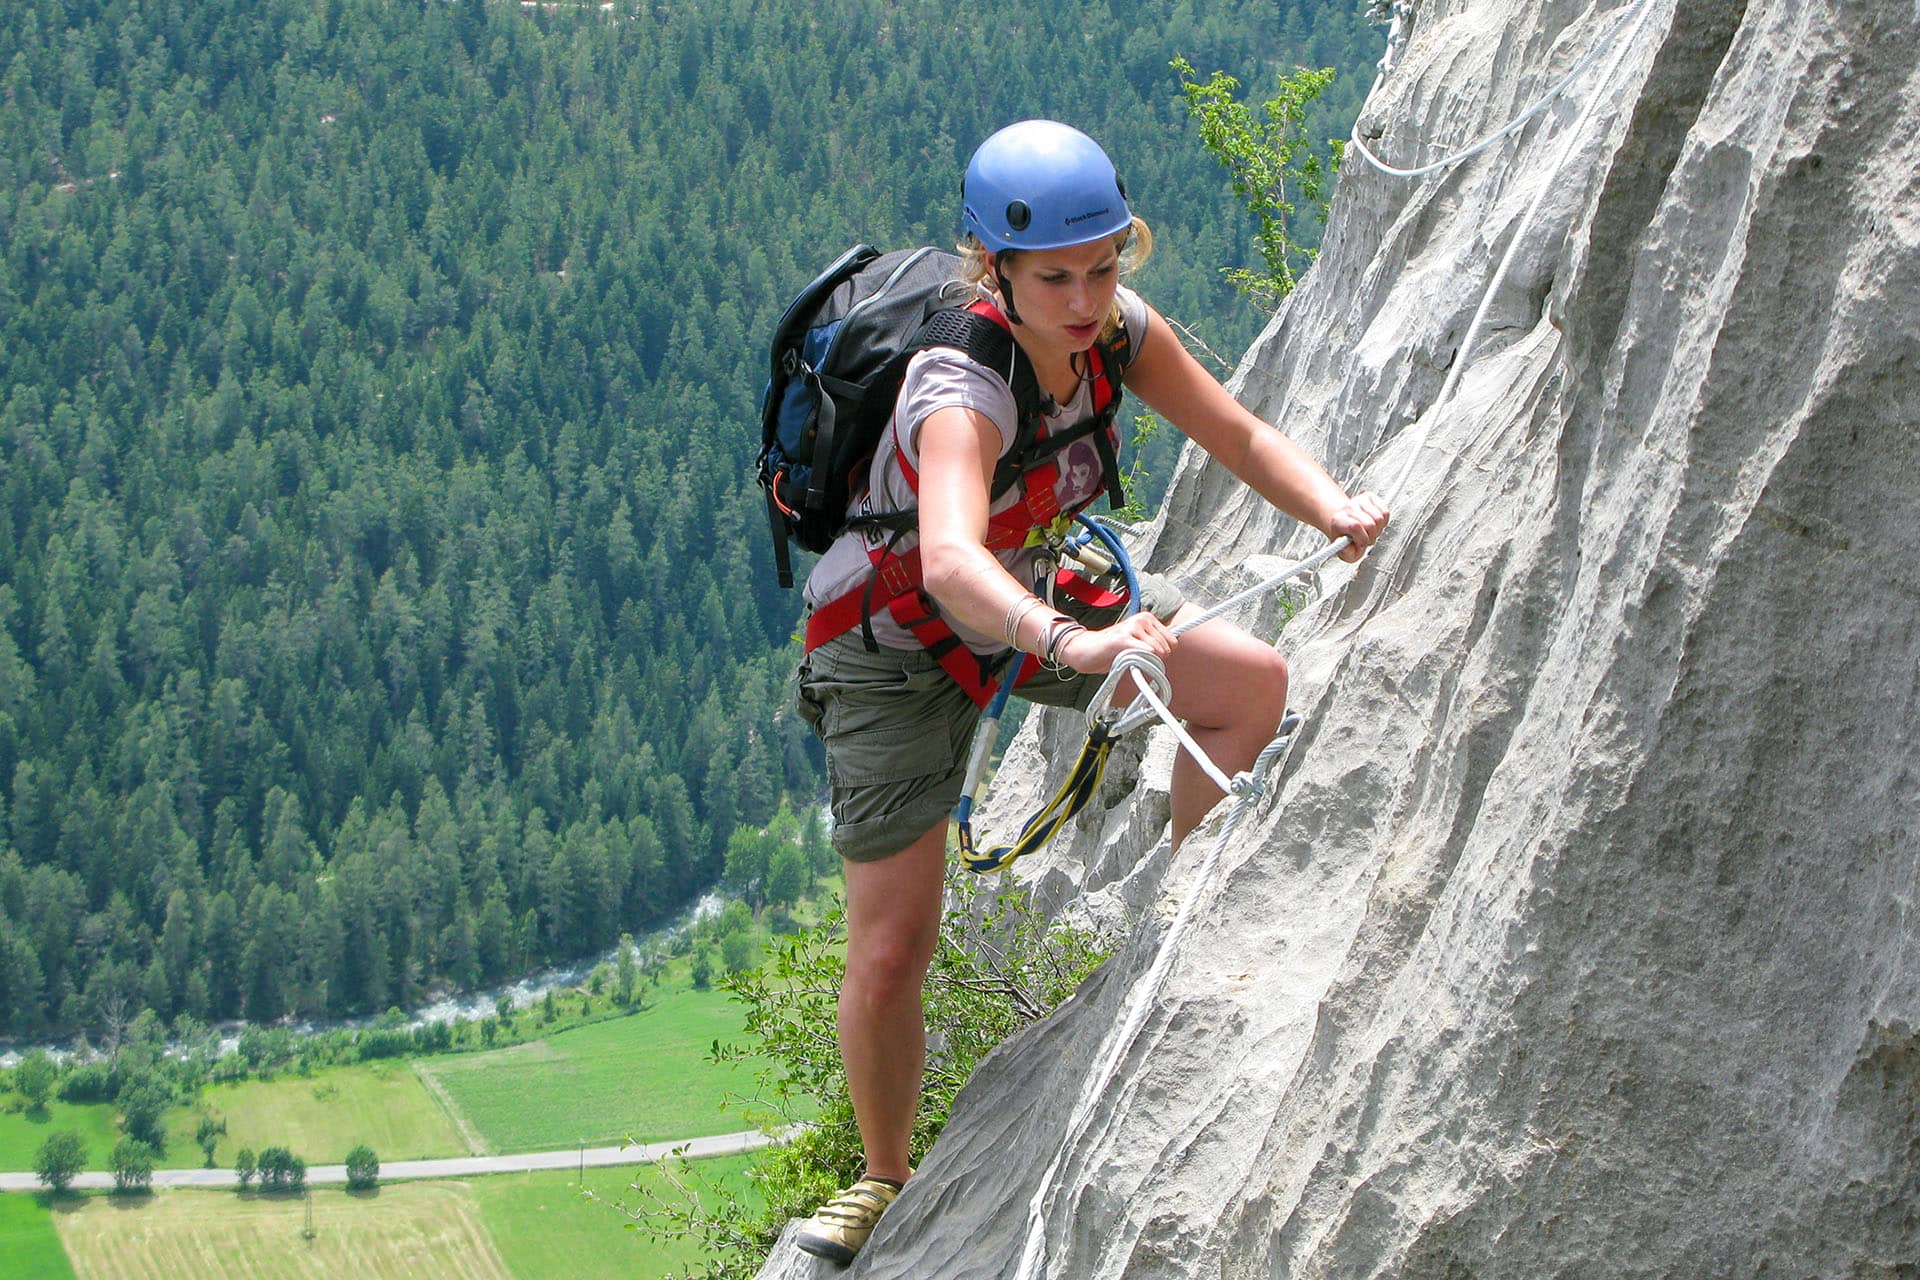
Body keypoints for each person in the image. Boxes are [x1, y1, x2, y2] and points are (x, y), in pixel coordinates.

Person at [789, 120, 1389, 1264]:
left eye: (1103, 266)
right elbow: (949, 558)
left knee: (1248, 685)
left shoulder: (1118, 334)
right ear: (992, 270)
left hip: (1030, 598)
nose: (1082, 296)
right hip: (893, 641)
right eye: (1053, 276)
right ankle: (882, 1176)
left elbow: (1238, 429)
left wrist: (1332, 508)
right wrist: (1068, 640)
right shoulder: (959, 385)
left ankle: (1176, 942)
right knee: (893, 942)